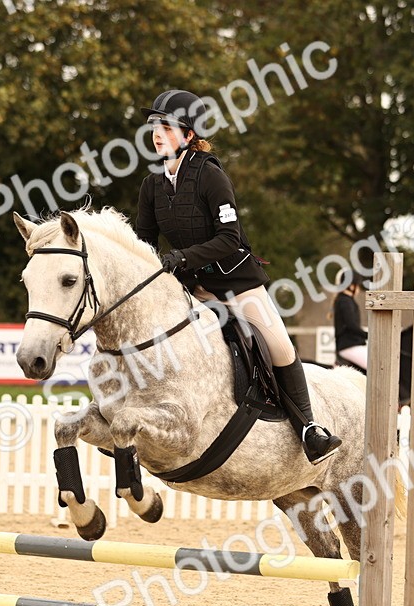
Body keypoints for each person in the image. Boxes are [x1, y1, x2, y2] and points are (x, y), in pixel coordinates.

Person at [134, 89, 341, 463]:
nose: (157, 132)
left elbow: (228, 239)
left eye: (166, 125)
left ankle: (309, 430)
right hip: (189, 289)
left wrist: (180, 257)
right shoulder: (152, 185)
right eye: (154, 125)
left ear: (189, 134)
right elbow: (144, 243)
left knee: (280, 346)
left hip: (233, 283)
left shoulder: (211, 176)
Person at [334, 273, 368, 371]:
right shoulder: (345, 301)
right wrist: (368, 335)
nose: (359, 289)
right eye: (358, 285)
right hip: (349, 346)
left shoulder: (345, 300)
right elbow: (351, 325)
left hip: (351, 345)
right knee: (376, 366)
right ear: (351, 286)